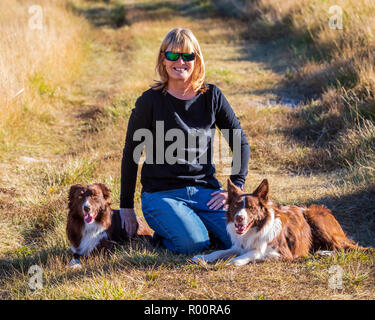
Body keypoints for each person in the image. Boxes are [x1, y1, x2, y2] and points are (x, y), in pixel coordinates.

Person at [119, 27, 250, 255]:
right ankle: (173, 233)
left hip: (206, 194)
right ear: (163, 59)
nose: (180, 61)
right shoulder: (149, 101)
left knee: (242, 240)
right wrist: (126, 207)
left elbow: (240, 142)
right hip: (161, 194)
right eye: (173, 55)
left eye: (187, 55)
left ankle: (188, 226)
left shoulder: (212, 96)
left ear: (196, 59)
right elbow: (132, 154)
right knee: (194, 244)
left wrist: (235, 188)